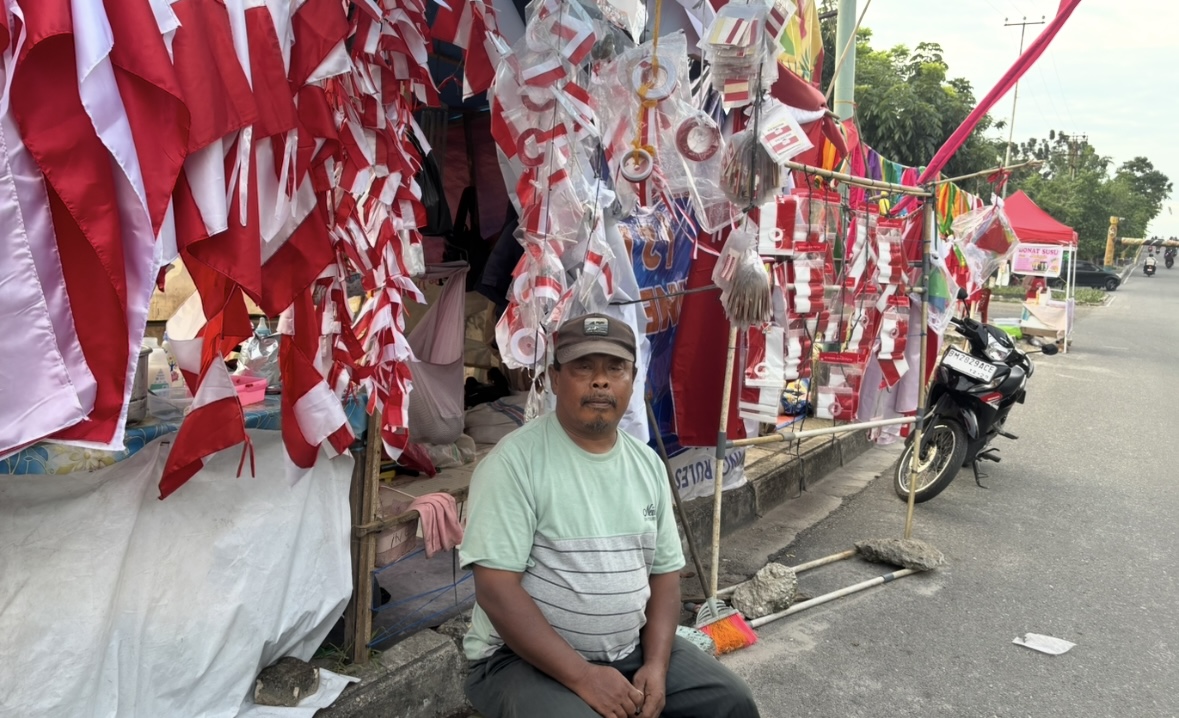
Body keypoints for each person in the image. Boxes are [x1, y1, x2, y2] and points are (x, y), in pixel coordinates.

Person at [460, 313, 761, 718]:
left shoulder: (648, 465)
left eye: (615, 367)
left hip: (629, 650)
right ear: (553, 377)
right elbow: (496, 590)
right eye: (583, 366)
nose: (600, 381)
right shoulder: (513, 464)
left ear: (633, 378)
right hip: (517, 659)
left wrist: (656, 665)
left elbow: (665, 577)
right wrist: (584, 676)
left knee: (730, 703)